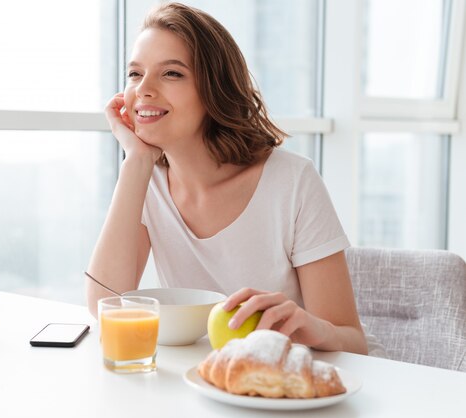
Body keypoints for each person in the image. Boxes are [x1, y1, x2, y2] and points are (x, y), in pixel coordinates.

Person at [86, 2, 368, 355]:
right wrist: (136, 160)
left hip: (289, 391)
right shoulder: (144, 183)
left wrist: (310, 327)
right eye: (134, 73)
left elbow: (354, 343)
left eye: (171, 73)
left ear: (214, 89)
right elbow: (104, 306)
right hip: (204, 385)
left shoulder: (292, 181)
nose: (143, 89)